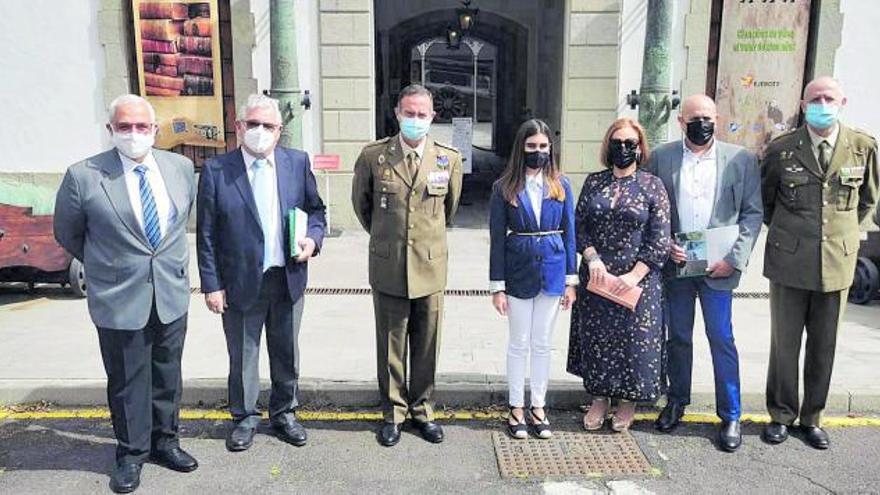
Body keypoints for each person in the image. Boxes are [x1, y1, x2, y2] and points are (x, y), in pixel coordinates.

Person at [53, 94, 198, 493]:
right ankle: (131, 453)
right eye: (124, 127)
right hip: (118, 297)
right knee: (127, 379)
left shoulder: (181, 168)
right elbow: (68, 233)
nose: (133, 134)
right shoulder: (83, 176)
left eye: (141, 127)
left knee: (168, 374)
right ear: (110, 130)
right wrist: (109, 266)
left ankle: (166, 441)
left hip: (169, 292)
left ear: (154, 130)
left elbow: (180, 221)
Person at [196, 94, 326, 452]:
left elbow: (317, 212)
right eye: (252, 124)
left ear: (279, 131)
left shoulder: (296, 163)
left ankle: (284, 412)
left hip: (286, 278)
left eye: (267, 126)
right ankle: (244, 417)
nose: (259, 131)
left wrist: (313, 241)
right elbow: (206, 233)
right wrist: (211, 285)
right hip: (239, 282)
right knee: (243, 354)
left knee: (286, 352)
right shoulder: (217, 170)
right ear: (238, 127)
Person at [761, 76, 879, 449]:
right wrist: (794, 237)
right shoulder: (781, 150)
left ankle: (812, 417)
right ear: (802, 104)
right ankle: (781, 414)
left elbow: (868, 201)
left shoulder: (863, 147)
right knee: (784, 345)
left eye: (829, 98)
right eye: (815, 98)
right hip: (789, 263)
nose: (822, 103)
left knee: (824, 344)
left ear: (842, 101)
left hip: (837, 264)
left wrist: (841, 237)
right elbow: (766, 204)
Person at [647, 94, 763, 452]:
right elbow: (653, 209)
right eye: (694, 118)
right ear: (681, 122)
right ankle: (677, 401)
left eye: (708, 117)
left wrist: (735, 258)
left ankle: (729, 414)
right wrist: (665, 243)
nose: (702, 124)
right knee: (678, 336)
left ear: (717, 118)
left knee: (720, 337)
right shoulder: (661, 157)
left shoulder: (741, 159)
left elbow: (752, 213)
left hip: (719, 267)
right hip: (678, 264)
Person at [351, 84, 463, 447]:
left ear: (432, 117)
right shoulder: (374, 157)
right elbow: (362, 207)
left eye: (422, 115)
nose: (415, 120)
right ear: (397, 114)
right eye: (409, 113)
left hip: (430, 266)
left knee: (428, 344)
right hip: (389, 265)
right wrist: (388, 239)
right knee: (391, 345)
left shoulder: (448, 159)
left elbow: (449, 211)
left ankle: (422, 409)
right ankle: (393, 413)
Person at [566, 117, 671, 432]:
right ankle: (599, 399)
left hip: (637, 280)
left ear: (640, 149)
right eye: (617, 143)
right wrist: (592, 258)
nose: (623, 148)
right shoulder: (594, 182)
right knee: (598, 340)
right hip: (596, 278)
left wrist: (634, 276)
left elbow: (660, 238)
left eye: (630, 143)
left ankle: (627, 403)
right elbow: (578, 225)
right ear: (607, 146)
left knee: (632, 343)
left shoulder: (652, 185)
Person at [488, 119, 577, 440]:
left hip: (553, 272)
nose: (537, 152)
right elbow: (497, 239)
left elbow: (570, 235)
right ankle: (515, 407)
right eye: (531, 147)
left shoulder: (561, 185)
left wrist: (571, 280)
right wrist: (497, 286)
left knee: (542, 344)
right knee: (518, 343)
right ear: (520, 149)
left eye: (542, 147)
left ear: (550, 149)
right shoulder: (504, 187)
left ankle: (538, 406)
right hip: (518, 272)